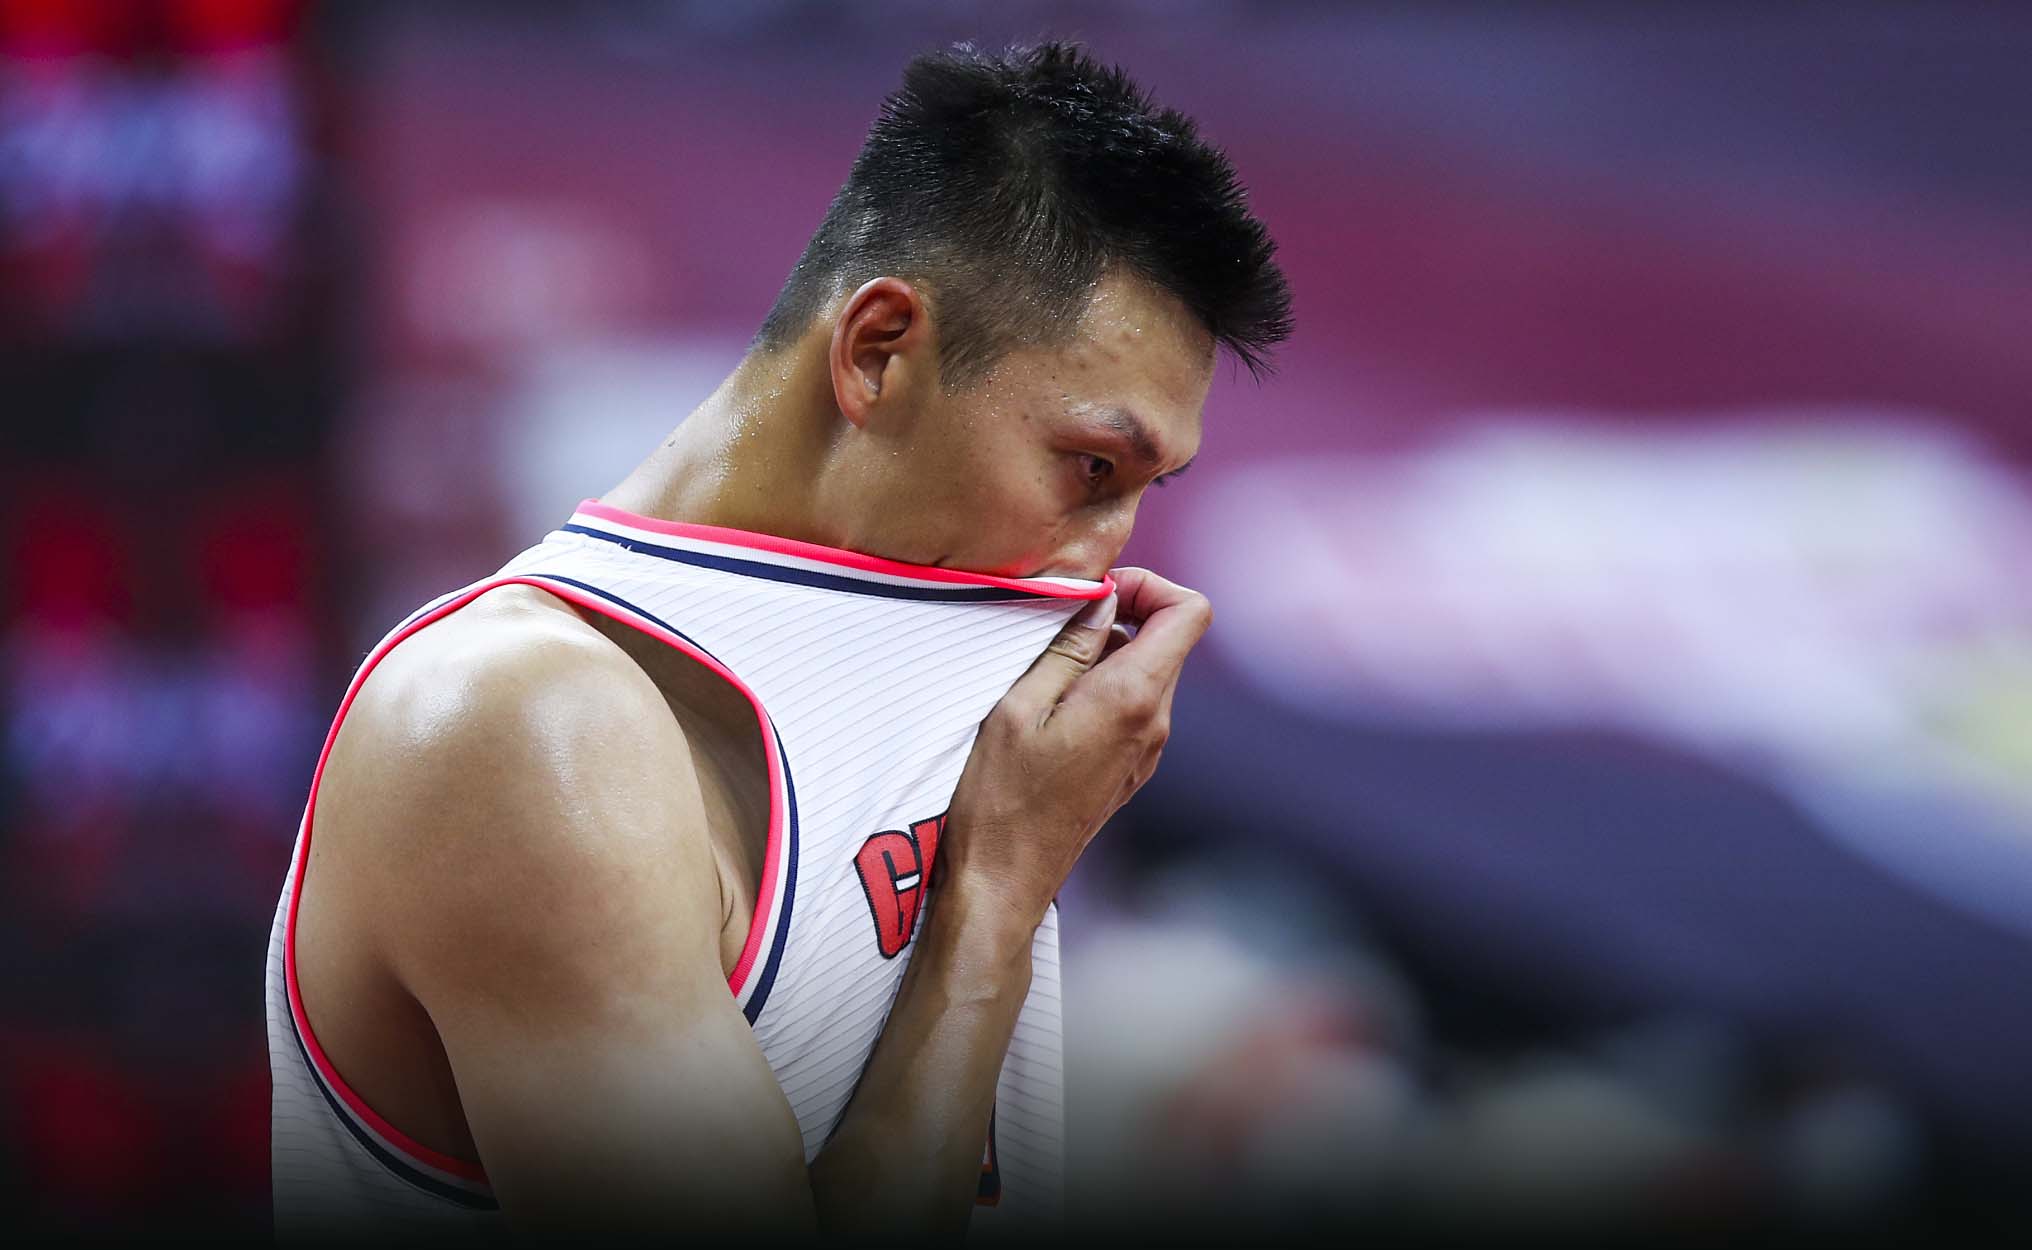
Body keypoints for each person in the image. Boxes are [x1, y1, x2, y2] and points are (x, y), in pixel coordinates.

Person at [263, 41, 1290, 1240]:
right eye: (1091, 468)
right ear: (878, 352)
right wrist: (999, 893)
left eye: (1141, 490)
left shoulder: (917, 659)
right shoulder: (524, 720)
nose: (1103, 553)